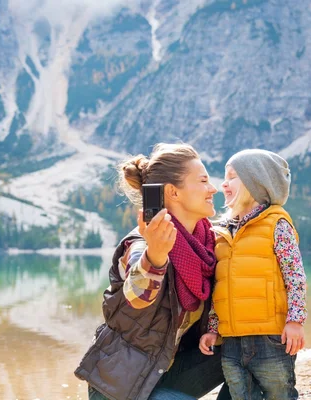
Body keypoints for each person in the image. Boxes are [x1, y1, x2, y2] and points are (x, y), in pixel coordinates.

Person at [75, 143, 231, 400]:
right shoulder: (141, 244)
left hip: (165, 372)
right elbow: (136, 297)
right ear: (173, 192)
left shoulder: (205, 244)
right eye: (203, 181)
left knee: (251, 354)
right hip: (121, 387)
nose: (212, 188)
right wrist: (155, 257)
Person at [200, 149, 307, 400]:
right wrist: (214, 329)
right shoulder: (222, 232)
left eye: (232, 176)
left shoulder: (276, 225)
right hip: (232, 341)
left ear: (255, 183)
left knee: (280, 394)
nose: (223, 184)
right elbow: (220, 287)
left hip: (271, 338)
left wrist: (295, 321)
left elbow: (295, 277)